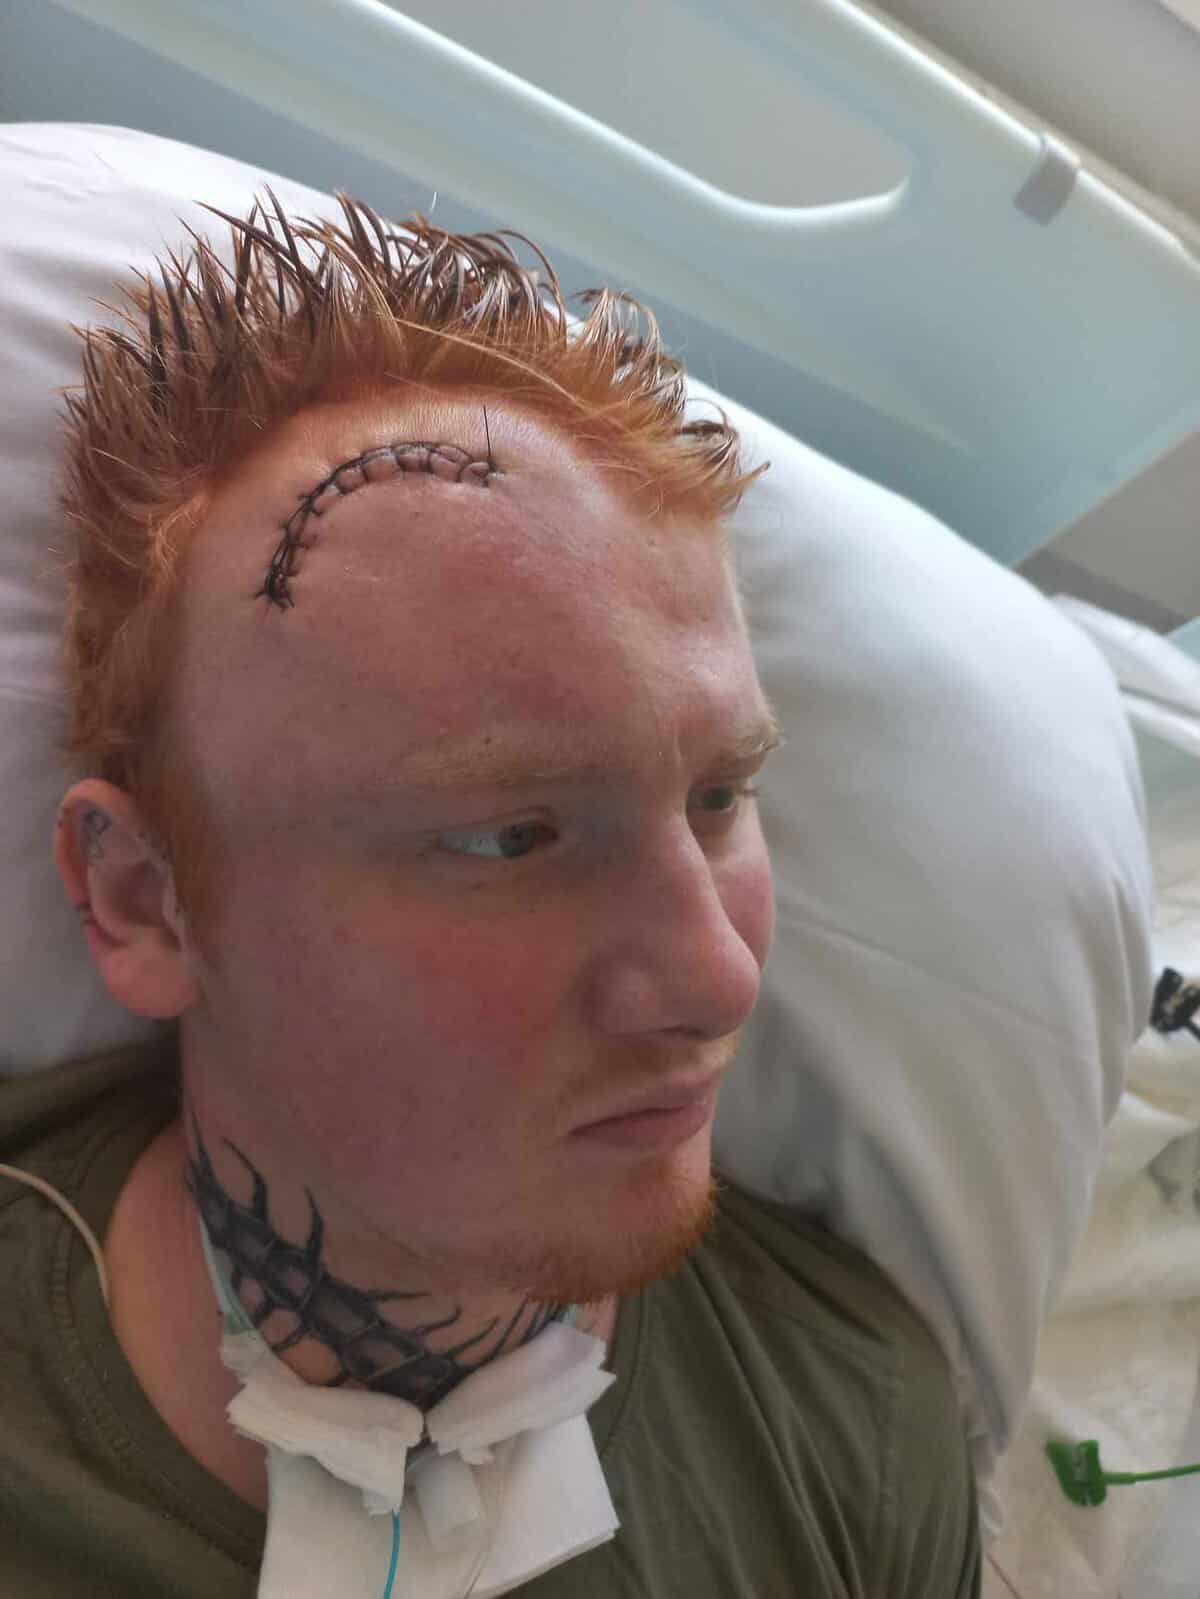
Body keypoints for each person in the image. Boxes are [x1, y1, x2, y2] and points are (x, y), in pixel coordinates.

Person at [0, 194, 981, 1596]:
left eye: (718, 797)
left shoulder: (857, 1428)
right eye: (513, 836)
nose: (718, 980)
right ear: (147, 901)